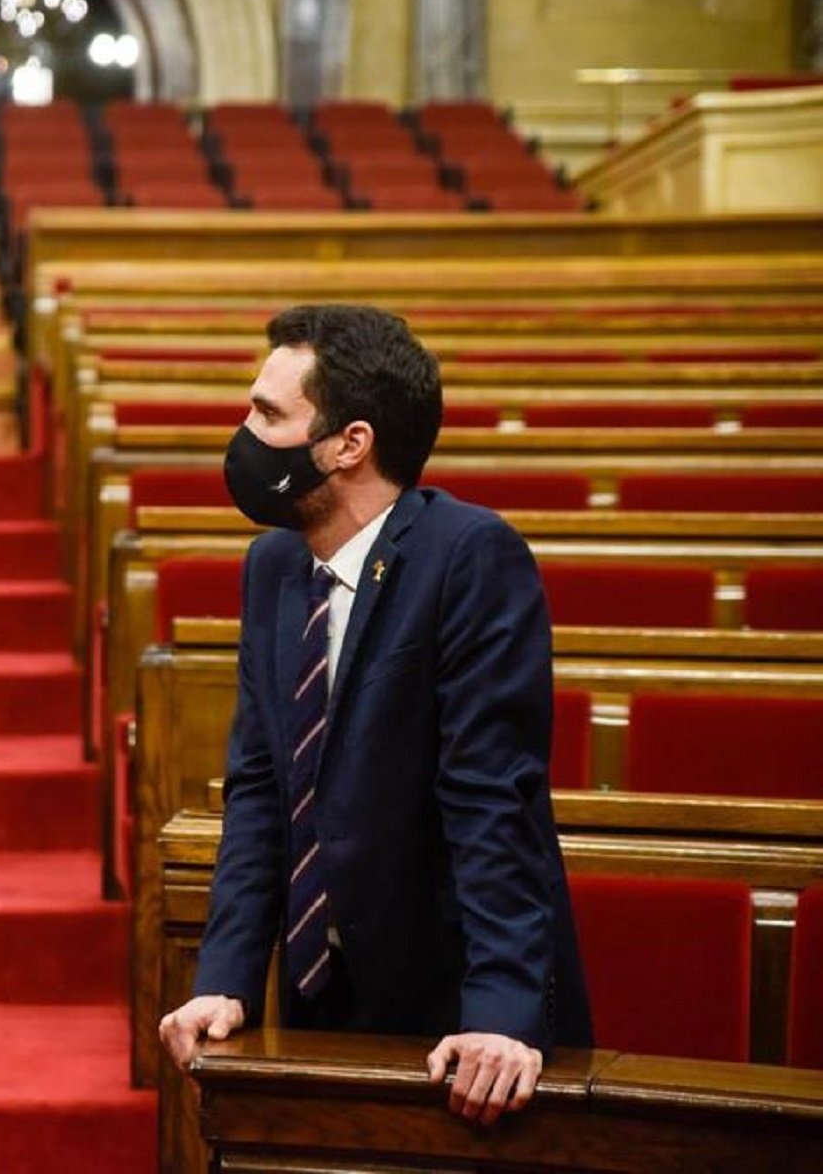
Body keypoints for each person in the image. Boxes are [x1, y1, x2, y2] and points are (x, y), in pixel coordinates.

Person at [158, 304, 591, 1125]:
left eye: (269, 414)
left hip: (457, 1010)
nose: (245, 432)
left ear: (349, 444)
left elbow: (492, 798)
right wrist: (226, 976)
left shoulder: (470, 557)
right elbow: (259, 788)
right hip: (326, 1000)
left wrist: (500, 1013)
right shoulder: (274, 565)